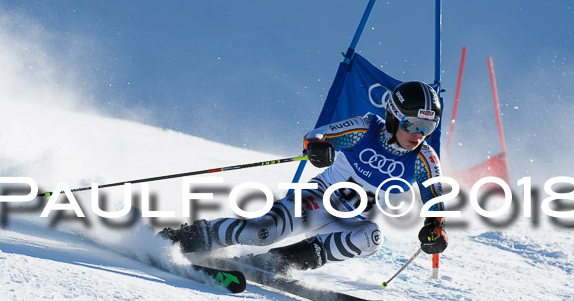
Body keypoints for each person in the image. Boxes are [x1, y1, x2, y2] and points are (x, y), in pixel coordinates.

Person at [159, 81, 448, 272]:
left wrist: (437, 229)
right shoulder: (366, 129)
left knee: (372, 239)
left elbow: (436, 200)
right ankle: (184, 238)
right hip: (317, 201)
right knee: (262, 233)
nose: (419, 134)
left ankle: (277, 263)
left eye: (428, 127)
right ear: (394, 116)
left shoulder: (423, 159)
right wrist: (318, 147)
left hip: (351, 223)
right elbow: (318, 135)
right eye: (412, 124)